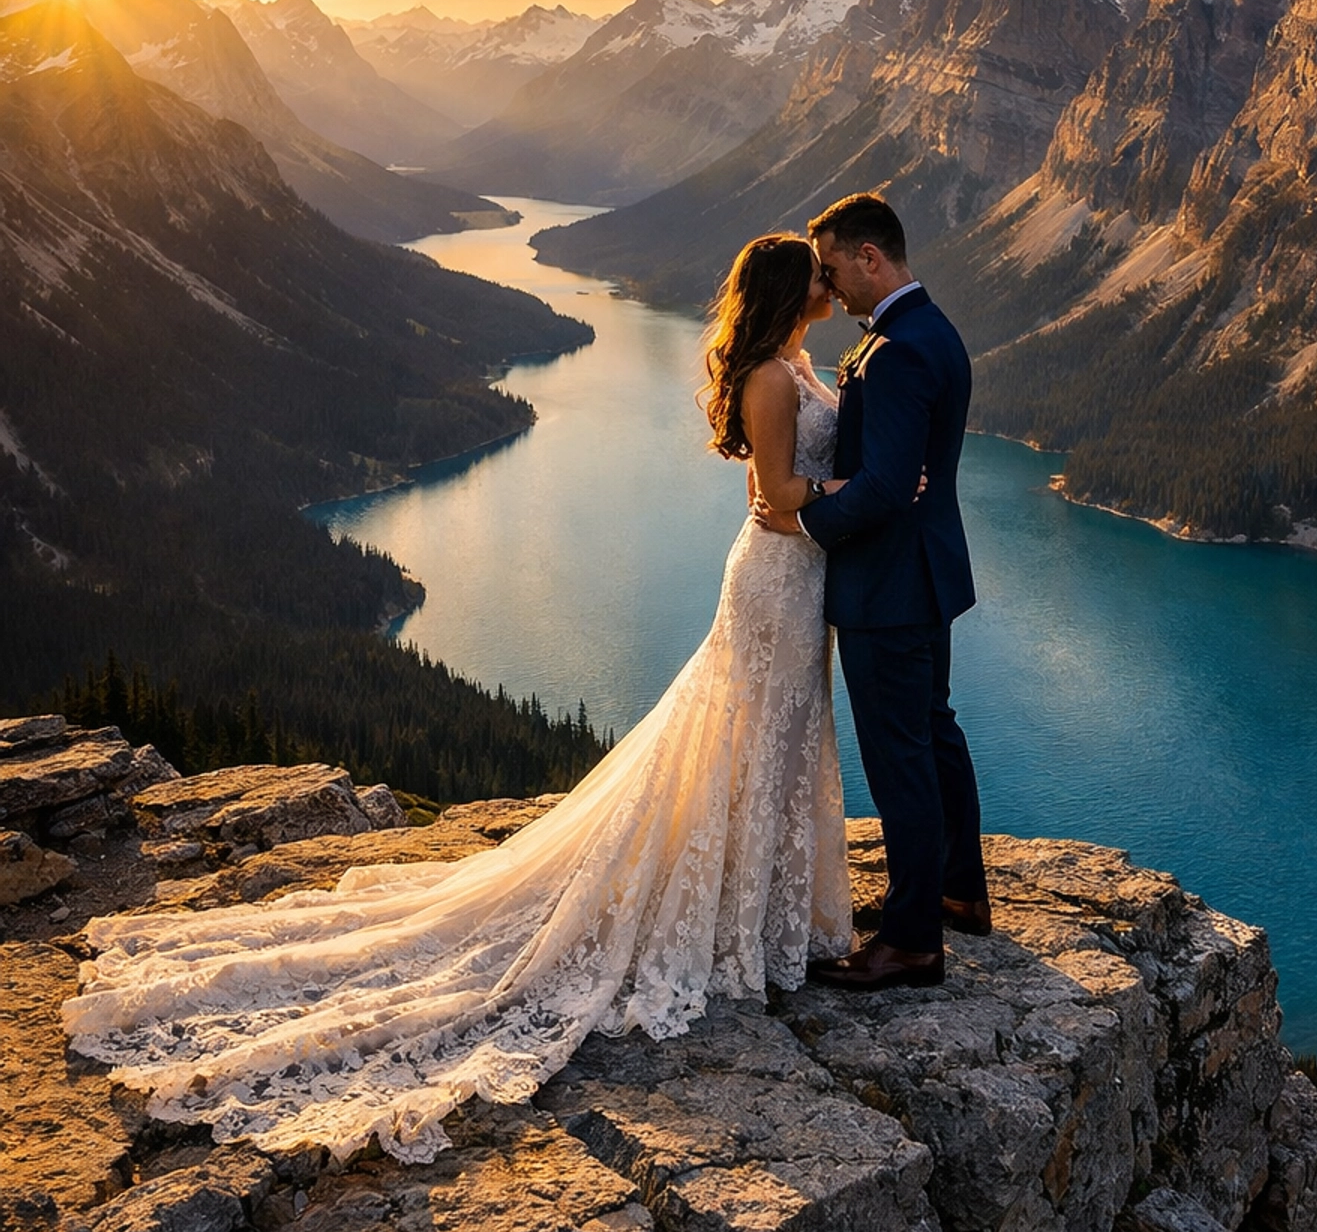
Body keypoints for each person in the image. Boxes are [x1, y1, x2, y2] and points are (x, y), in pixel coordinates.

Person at [63, 234, 853, 1164]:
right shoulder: (768, 377)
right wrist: (866, 489)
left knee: (774, 738)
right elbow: (775, 496)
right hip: (776, 581)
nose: (828, 278)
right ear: (785, 289)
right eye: (815, 269)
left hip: (803, 588)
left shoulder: (797, 360)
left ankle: (756, 907)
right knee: (748, 735)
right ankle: (728, 915)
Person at [755, 192, 987, 990]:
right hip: (927, 574)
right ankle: (960, 889)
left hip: (887, 586)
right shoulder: (932, 330)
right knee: (935, 731)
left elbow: (887, 487)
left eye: (832, 269)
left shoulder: (894, 352)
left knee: (902, 761)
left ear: (869, 258)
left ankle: (912, 938)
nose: (829, 288)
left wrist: (802, 523)